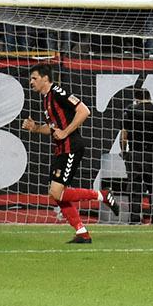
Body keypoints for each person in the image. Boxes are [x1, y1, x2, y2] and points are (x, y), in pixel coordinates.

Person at [20, 61, 103, 243]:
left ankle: (102, 195)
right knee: (56, 194)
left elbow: (84, 111)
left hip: (71, 147)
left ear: (45, 78)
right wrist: (35, 128)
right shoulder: (46, 99)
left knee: (57, 192)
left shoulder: (58, 93)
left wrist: (65, 132)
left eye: (34, 78)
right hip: (61, 149)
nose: (31, 82)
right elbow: (53, 130)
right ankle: (82, 232)